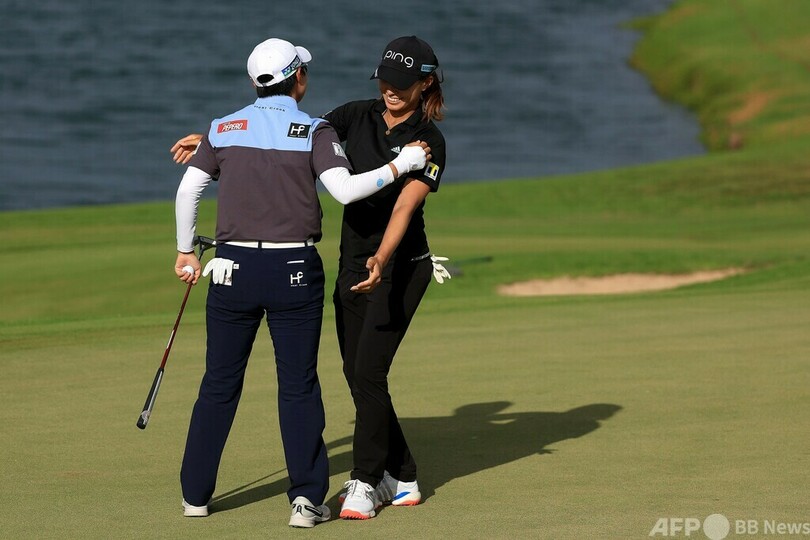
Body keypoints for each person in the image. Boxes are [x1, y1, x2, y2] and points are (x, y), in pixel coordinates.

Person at [171, 34, 447, 522]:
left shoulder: (223, 128)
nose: (389, 89)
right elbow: (324, 169)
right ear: (298, 76)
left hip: (267, 269)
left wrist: (186, 248)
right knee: (317, 381)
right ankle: (328, 495)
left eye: (400, 82)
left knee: (228, 383)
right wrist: (401, 164)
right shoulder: (331, 124)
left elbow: (191, 187)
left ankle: (201, 497)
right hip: (309, 270)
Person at [324, 35, 447, 521]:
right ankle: (405, 474)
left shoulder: (429, 140)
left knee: (369, 373)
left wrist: (381, 256)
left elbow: (405, 206)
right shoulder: (355, 115)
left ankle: (367, 480)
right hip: (352, 261)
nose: (390, 90)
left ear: (425, 84)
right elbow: (295, 138)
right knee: (357, 374)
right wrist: (217, 145)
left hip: (401, 267)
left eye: (402, 83)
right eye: (385, 81)